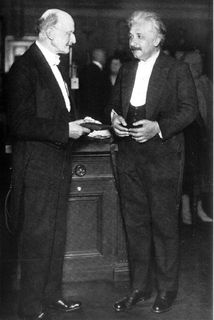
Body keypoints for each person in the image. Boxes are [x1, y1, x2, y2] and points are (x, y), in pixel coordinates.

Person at [107, 10, 198, 313]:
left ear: (157, 39)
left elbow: (189, 111)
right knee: (135, 226)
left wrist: (158, 128)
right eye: (131, 35)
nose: (133, 41)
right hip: (130, 160)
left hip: (163, 161)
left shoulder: (177, 70)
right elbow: (113, 105)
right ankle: (139, 287)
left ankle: (167, 289)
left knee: (164, 226)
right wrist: (115, 119)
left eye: (140, 36)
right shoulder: (126, 71)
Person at [5, 9, 90, 320]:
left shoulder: (56, 65)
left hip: (56, 165)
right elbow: (18, 123)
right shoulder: (24, 69)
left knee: (54, 236)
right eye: (70, 33)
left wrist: (77, 122)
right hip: (37, 168)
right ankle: (30, 308)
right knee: (37, 238)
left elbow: (54, 113)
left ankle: (52, 297)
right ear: (50, 32)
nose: (75, 39)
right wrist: (64, 130)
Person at [181, 50, 212, 224]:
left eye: (199, 64)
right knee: (188, 173)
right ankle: (186, 211)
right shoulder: (184, 83)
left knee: (200, 173)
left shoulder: (205, 82)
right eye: (195, 64)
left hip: (202, 135)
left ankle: (198, 208)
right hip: (188, 134)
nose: (198, 67)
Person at [79, 48, 108, 123]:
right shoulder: (102, 73)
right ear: (101, 57)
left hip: (83, 111)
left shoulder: (83, 70)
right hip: (98, 113)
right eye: (104, 56)